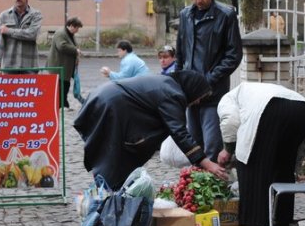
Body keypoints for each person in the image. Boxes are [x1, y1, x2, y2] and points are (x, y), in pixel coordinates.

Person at [73, 70, 227, 190]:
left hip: (104, 98)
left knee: (114, 156)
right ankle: (106, 203)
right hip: (110, 106)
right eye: (200, 97)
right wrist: (207, 163)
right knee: (112, 157)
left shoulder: (167, 84)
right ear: (193, 89)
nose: (198, 102)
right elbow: (179, 132)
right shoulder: (174, 94)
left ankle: (109, 195)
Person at [216, 82, 305, 226]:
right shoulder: (251, 90)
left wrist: (228, 149)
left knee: (249, 164)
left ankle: (252, 225)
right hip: (301, 107)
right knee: (284, 165)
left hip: (270, 108)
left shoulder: (226, 99)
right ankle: (282, 221)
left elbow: (231, 122)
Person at [175, 0, 242, 161]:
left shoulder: (226, 15)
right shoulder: (185, 15)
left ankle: (213, 186)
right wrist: (179, 83)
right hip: (190, 95)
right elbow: (180, 53)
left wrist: (206, 82)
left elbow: (233, 55)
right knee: (194, 147)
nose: (198, 0)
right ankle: (195, 187)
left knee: (212, 147)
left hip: (213, 93)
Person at [0, 0, 42, 72]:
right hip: (9, 66)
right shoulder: (4, 16)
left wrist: (8, 31)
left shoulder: (36, 15)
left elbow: (32, 34)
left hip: (29, 66)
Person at [46, 17, 83, 108]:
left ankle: (63, 103)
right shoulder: (61, 33)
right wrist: (76, 50)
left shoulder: (69, 34)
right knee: (61, 86)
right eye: (77, 28)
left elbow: (73, 45)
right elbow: (61, 46)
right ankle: (60, 104)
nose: (77, 30)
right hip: (58, 65)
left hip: (66, 65)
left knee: (66, 84)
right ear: (71, 26)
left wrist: (77, 57)